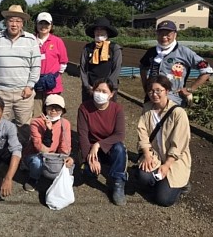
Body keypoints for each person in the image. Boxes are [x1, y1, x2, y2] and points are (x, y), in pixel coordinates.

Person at [0, 5, 41, 140]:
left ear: (22, 23)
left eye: (17, 21)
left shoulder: (31, 40)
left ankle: (21, 157)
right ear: (6, 22)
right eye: (11, 20)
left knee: (24, 128)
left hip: (23, 93)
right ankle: (0, 156)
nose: (14, 24)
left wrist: (30, 85)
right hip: (0, 91)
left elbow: (36, 65)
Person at [137, 75, 191, 207]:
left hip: (174, 160)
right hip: (155, 155)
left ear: (166, 90)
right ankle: (160, 182)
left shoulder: (178, 113)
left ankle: (182, 185)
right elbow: (142, 133)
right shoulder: (147, 108)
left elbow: (179, 144)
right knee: (142, 176)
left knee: (163, 200)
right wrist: (147, 154)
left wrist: (166, 165)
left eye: (158, 90)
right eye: (150, 91)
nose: (154, 94)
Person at [77, 78, 127, 206]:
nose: (100, 94)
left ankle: (117, 183)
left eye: (104, 91)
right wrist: (91, 158)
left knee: (120, 148)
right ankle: (96, 164)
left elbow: (120, 134)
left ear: (111, 94)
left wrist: (98, 144)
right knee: (89, 173)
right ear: (92, 91)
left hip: (109, 146)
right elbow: (83, 135)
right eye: (97, 90)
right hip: (91, 149)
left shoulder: (117, 109)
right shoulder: (84, 108)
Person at [140, 20, 213, 107]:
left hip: (174, 100)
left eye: (168, 34)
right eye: (161, 33)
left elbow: (207, 69)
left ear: (175, 34)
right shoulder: (152, 51)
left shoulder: (184, 52)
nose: (164, 37)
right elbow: (143, 67)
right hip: (152, 99)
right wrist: (146, 86)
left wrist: (191, 89)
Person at [23, 94, 74, 192]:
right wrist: (48, 130)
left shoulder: (65, 123)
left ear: (63, 110)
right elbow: (42, 149)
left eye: (58, 108)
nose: (54, 110)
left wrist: (66, 158)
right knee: (37, 162)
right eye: (50, 107)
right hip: (36, 155)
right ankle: (33, 178)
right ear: (45, 108)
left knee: (67, 165)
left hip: (53, 155)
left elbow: (65, 147)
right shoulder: (35, 122)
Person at [33, 12, 68, 118]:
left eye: (46, 24)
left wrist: (54, 76)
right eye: (41, 23)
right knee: (36, 113)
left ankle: (52, 133)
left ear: (51, 25)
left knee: (53, 113)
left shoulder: (57, 41)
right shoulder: (31, 40)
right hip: (35, 83)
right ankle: (37, 134)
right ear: (36, 24)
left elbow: (63, 62)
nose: (43, 26)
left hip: (53, 85)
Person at [80, 17, 122, 102]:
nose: (99, 31)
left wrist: (105, 88)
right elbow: (82, 68)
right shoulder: (87, 48)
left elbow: (116, 69)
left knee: (108, 113)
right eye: (97, 29)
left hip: (108, 89)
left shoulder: (115, 48)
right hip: (90, 88)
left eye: (102, 29)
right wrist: (87, 86)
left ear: (107, 32)